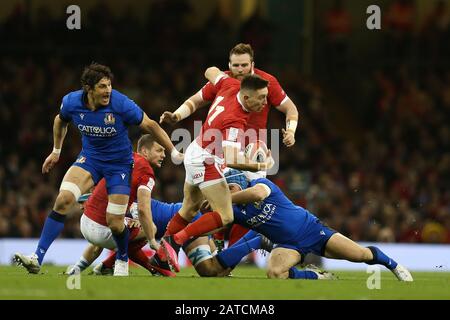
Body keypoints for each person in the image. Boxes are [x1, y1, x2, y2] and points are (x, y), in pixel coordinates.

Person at [14, 63, 181, 276]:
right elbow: (60, 121)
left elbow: (151, 126)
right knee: (63, 199)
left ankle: (121, 257)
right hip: (91, 158)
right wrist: (56, 151)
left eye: (109, 85)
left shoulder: (120, 104)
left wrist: (173, 152)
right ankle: (37, 257)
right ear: (88, 88)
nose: (108, 91)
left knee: (115, 222)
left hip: (119, 164)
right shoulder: (72, 102)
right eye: (102, 86)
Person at [160, 43, 299, 246]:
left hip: (250, 148)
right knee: (227, 204)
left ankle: (220, 249)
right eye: (236, 65)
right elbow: (198, 99)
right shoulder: (229, 90)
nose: (240, 70)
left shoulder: (263, 82)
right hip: (222, 150)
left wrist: (291, 131)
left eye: (244, 65)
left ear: (253, 64)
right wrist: (177, 115)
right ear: (229, 65)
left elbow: (290, 108)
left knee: (247, 201)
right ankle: (207, 243)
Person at [194, 169, 414, 281]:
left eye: (230, 188)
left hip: (313, 231)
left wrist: (225, 199)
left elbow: (256, 193)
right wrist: (200, 217)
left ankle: (393, 265)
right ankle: (316, 276)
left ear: (240, 185)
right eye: (226, 191)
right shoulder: (233, 211)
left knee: (361, 255)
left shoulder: (260, 185)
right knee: (274, 273)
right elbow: (215, 226)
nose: (228, 194)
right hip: (287, 244)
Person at [157, 68, 275, 271]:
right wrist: (261, 165)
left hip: (196, 150)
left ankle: (161, 256)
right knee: (226, 215)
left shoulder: (229, 84)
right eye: (262, 98)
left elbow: (209, 71)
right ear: (246, 97)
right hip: (206, 160)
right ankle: (176, 241)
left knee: (189, 209)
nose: (265, 103)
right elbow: (230, 158)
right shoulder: (235, 120)